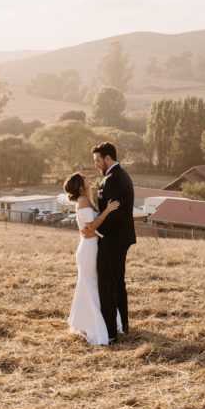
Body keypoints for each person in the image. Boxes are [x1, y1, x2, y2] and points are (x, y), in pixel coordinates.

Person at [83, 141, 136, 345]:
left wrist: (96, 231)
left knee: (107, 285)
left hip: (113, 240)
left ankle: (111, 334)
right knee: (118, 283)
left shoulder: (113, 179)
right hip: (122, 238)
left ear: (107, 158)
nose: (96, 164)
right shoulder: (122, 175)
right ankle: (123, 325)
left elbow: (114, 215)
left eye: (98, 160)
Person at [64, 172, 121, 346]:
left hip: (92, 246)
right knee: (90, 285)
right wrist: (107, 211)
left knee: (92, 285)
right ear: (80, 185)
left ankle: (94, 322)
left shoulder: (86, 198)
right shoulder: (82, 201)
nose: (89, 178)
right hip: (88, 249)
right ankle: (93, 325)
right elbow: (91, 226)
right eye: (85, 178)